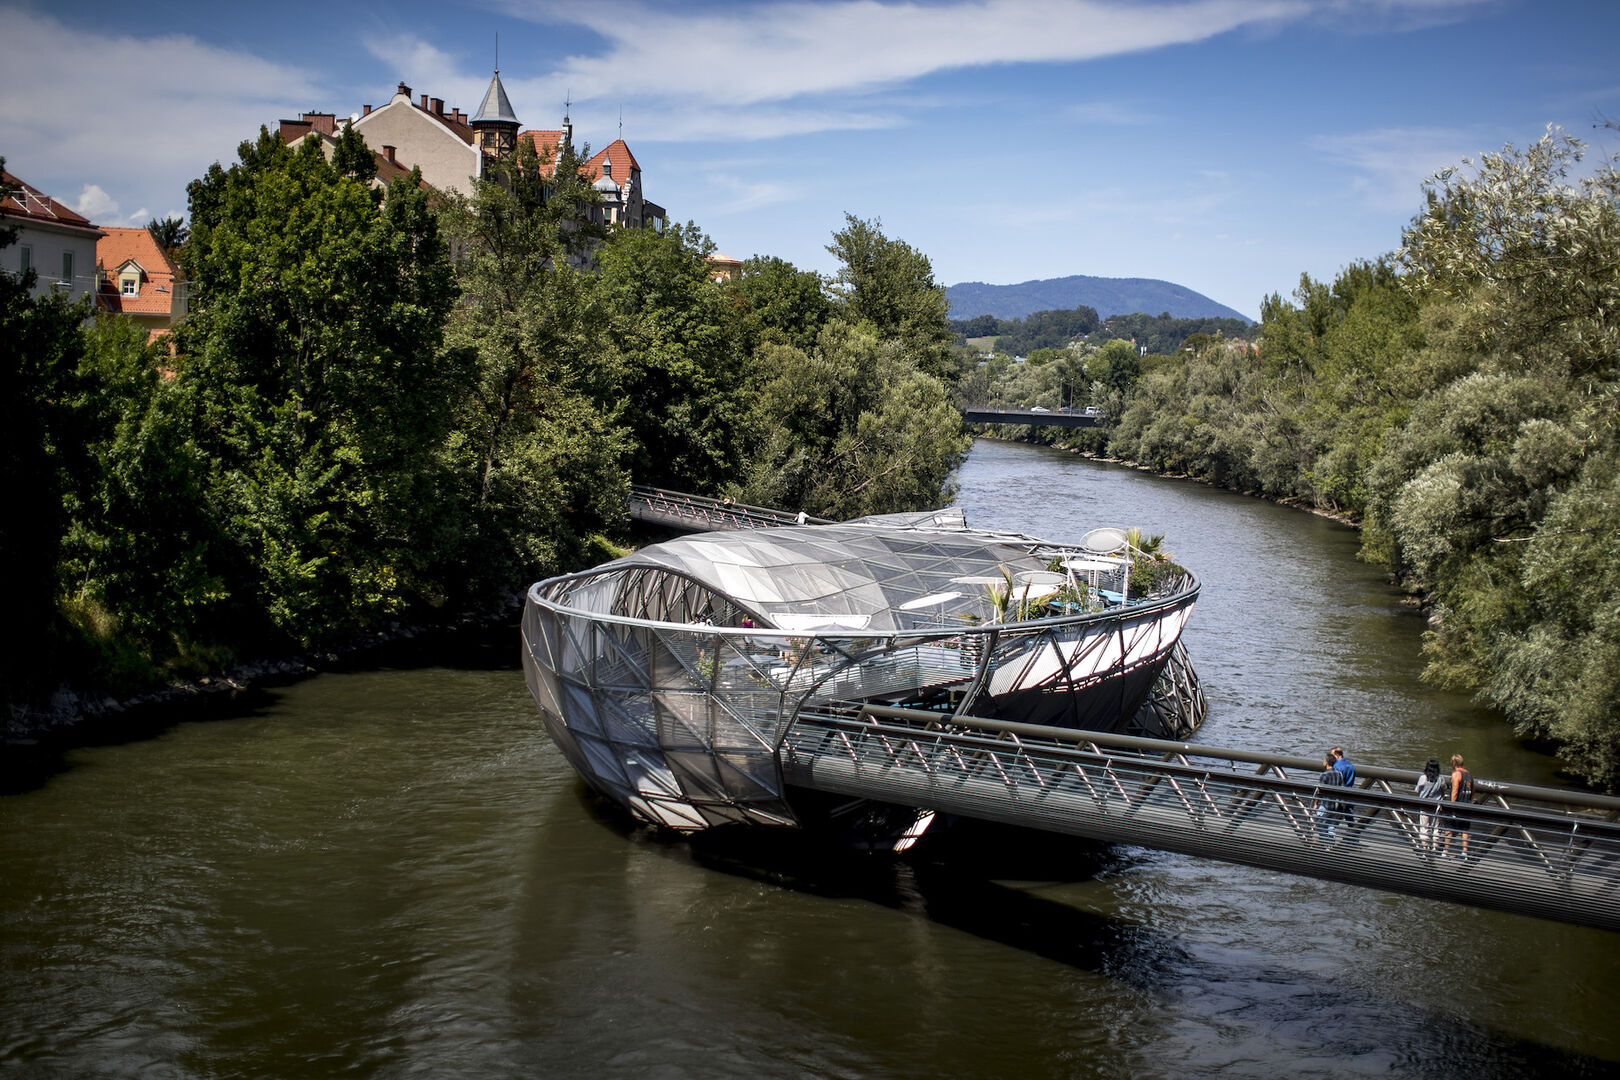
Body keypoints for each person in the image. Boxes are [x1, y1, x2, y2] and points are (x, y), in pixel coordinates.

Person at [1441, 753, 1474, 859]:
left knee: (1449, 828)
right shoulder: (1469, 774)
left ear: (1454, 763)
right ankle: (1465, 852)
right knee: (1464, 829)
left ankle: (1445, 851)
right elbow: (1473, 790)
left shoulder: (1456, 774)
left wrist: (1452, 806)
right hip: (1467, 804)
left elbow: (1454, 791)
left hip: (1457, 805)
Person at [1314, 750, 1347, 842]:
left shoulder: (1324, 775)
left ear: (1327, 762)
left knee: (1319, 823)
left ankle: (1324, 842)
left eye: (1324, 760)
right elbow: (1342, 789)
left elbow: (1319, 791)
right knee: (1331, 825)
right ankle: (1330, 843)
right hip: (1334, 804)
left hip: (1324, 803)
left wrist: (1316, 803)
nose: (1323, 761)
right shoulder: (1339, 774)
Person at [1414, 757, 1446, 851]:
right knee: (1436, 828)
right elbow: (1444, 789)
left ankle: (1425, 848)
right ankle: (1434, 848)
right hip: (1436, 806)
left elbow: (1417, 790)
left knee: (1424, 827)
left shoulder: (1423, 778)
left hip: (1424, 805)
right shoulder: (1441, 779)